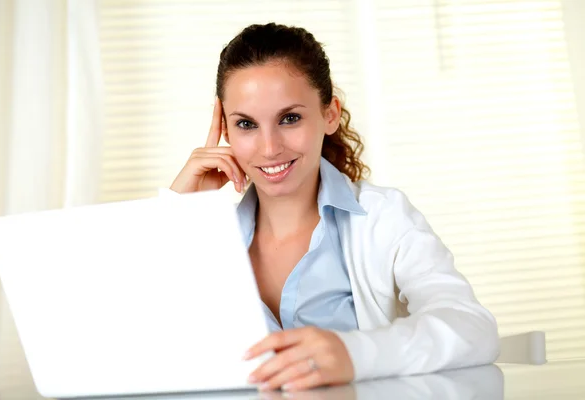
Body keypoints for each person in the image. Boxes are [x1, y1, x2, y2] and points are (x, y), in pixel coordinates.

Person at [169, 22, 499, 392]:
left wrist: (352, 354)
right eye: (246, 124)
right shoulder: (207, 239)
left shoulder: (383, 217)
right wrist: (176, 215)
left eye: (289, 118)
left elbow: (472, 327)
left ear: (329, 115)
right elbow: (131, 339)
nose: (269, 147)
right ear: (226, 132)